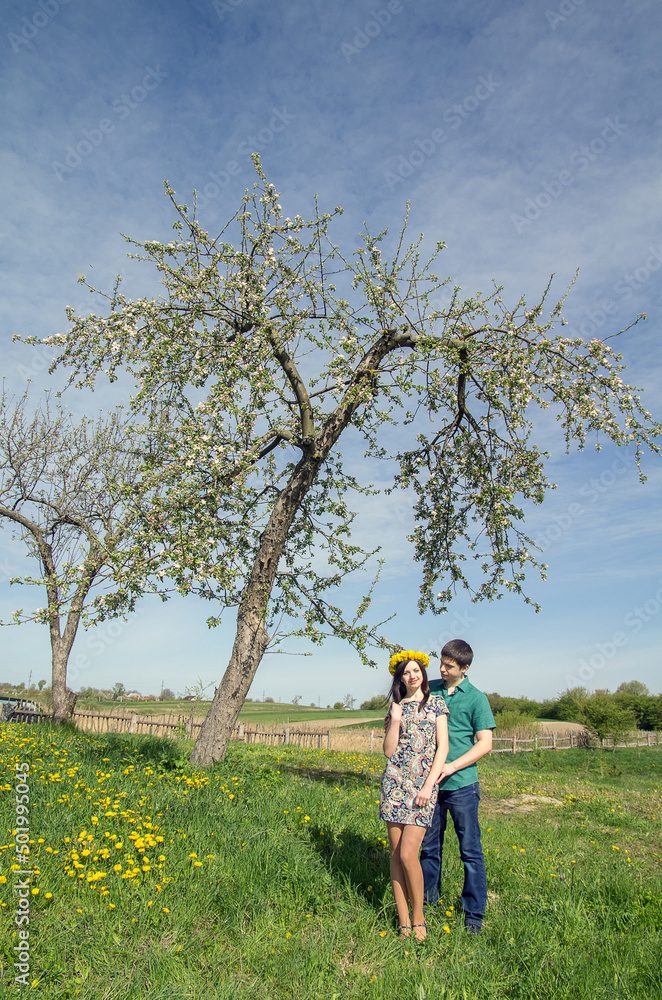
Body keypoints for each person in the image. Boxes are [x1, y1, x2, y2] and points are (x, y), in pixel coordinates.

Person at [420, 638, 495, 934]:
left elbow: (485, 743)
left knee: (470, 850)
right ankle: (427, 902)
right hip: (429, 784)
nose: (442, 669)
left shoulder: (477, 698)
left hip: (462, 784)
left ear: (464, 668)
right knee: (428, 846)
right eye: (441, 663)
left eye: (449, 666)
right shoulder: (431, 688)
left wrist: (451, 766)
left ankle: (473, 914)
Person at [380, 650, 449, 942]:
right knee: (395, 855)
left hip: (422, 787)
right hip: (394, 784)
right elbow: (387, 751)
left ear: (422, 673)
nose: (412, 676)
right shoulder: (396, 707)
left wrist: (427, 786)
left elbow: (442, 749)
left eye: (416, 670)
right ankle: (404, 922)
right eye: (406, 672)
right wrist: (394, 719)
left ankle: (419, 918)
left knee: (409, 854)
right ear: (400, 678)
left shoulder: (436, 704)